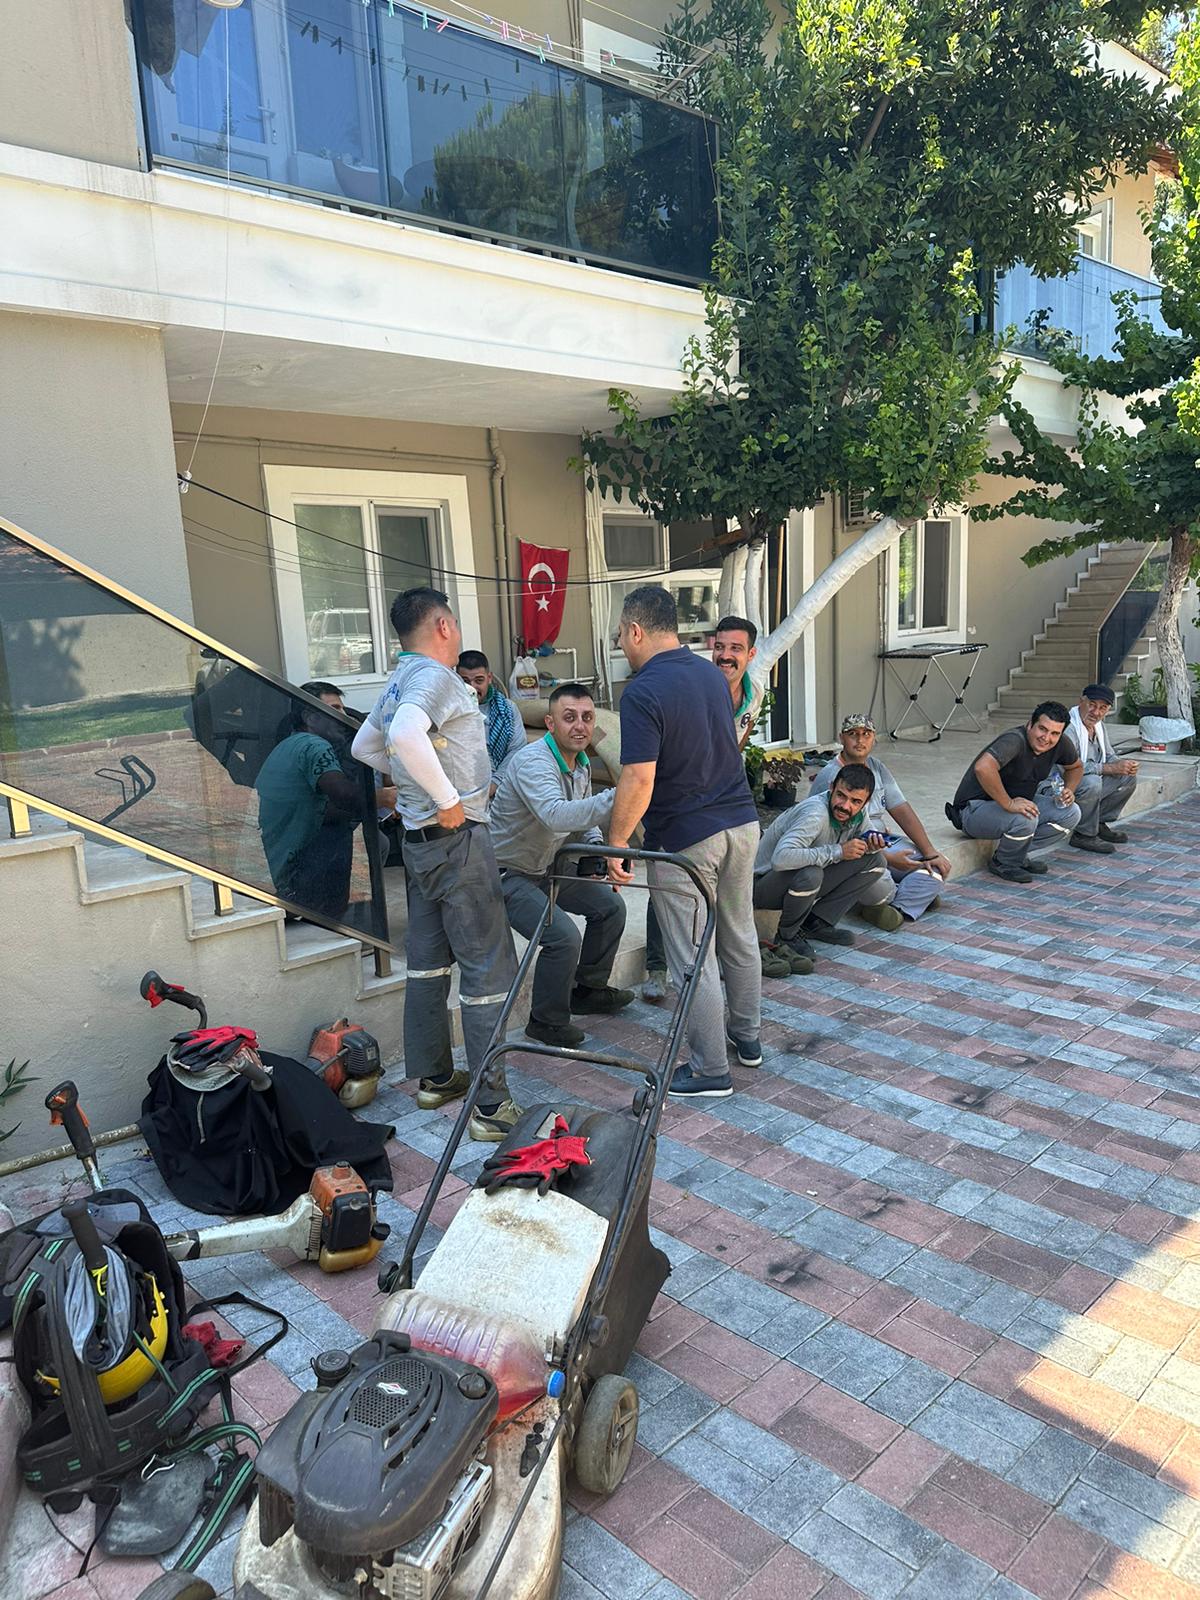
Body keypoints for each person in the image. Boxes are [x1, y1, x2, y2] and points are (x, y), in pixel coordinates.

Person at [351, 588, 521, 1141]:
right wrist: (446, 798)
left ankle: (436, 1080)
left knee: (426, 964)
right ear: (444, 626)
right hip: (458, 839)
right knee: (486, 970)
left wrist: (413, 792)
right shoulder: (437, 677)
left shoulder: (398, 680)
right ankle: (491, 1108)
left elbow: (365, 747)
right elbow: (402, 735)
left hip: (419, 844)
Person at [608, 586, 762, 1100]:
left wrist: (617, 842)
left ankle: (710, 1069)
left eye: (621, 635)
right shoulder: (711, 675)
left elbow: (639, 778)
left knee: (693, 956)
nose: (621, 644)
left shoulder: (642, 691)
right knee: (739, 935)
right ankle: (747, 1039)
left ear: (636, 630)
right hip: (741, 824)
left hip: (687, 841)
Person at [489, 684, 633, 1047]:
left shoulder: (580, 763)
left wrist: (597, 851)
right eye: (569, 718)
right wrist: (624, 793)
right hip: (507, 874)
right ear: (551, 723)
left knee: (611, 907)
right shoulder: (534, 762)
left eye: (587, 717)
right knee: (563, 938)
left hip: (548, 868)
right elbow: (556, 815)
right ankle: (545, 1022)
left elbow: (583, 822)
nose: (580, 726)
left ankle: (588, 990)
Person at [642, 613, 768, 1001]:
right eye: (719, 647)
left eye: (735, 649)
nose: (725, 655)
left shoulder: (754, 693)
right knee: (669, 889)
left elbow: (734, 744)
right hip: (683, 801)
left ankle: (721, 977)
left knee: (729, 914)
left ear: (750, 655)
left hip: (725, 803)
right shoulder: (697, 682)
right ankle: (656, 966)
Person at [810, 713, 950, 924]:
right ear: (841, 738)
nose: (860, 740)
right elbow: (834, 837)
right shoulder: (831, 777)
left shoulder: (877, 767)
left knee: (937, 865)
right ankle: (908, 898)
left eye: (866, 734)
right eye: (853, 734)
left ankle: (893, 906)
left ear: (874, 738)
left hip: (883, 841)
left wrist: (930, 852)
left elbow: (901, 809)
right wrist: (890, 860)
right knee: (881, 882)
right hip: (852, 854)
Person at [255, 682, 377, 923]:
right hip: (303, 864)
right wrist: (383, 798)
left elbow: (315, 806)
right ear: (310, 717)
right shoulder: (314, 746)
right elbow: (342, 794)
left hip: (288, 860)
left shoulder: (290, 744)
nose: (344, 716)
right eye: (335, 709)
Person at [753, 766, 895, 967]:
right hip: (762, 884)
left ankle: (817, 922)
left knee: (876, 861)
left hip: (802, 878)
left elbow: (864, 840)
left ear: (866, 802)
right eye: (841, 796)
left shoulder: (859, 814)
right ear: (831, 788)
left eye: (855, 801)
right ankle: (787, 936)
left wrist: (871, 845)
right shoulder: (815, 814)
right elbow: (781, 859)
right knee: (811, 873)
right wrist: (838, 851)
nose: (845, 806)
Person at [949, 702, 1083, 883]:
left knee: (1071, 812)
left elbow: (1076, 767)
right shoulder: (1014, 740)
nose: (1046, 738)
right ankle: (1004, 863)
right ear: (1030, 724)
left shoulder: (1061, 744)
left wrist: (1069, 789)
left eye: (1054, 733)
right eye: (1042, 729)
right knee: (1025, 817)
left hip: (1011, 808)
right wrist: (1008, 803)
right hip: (972, 811)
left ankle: (1016, 855)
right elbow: (983, 767)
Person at [1068, 684, 1138, 853]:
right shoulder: (1069, 728)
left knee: (1128, 777)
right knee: (1092, 782)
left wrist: (1123, 765)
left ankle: (1098, 822)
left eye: (1103, 708)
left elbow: (1109, 755)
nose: (1096, 712)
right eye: (1092, 705)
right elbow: (1071, 767)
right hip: (1063, 784)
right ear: (1081, 702)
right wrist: (1110, 768)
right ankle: (1083, 834)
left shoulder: (1099, 726)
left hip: (1086, 780)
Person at [456, 649, 528, 791]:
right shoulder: (449, 711)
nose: (473, 687)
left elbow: (517, 750)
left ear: (489, 678)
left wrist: (494, 784)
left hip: (503, 785)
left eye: (479, 680)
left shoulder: (507, 709)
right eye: (465, 681)